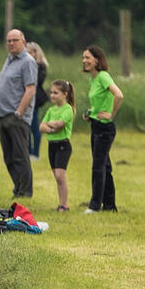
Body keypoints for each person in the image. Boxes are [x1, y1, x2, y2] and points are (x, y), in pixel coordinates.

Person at [0, 29, 37, 198]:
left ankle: (25, 192)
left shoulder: (27, 61)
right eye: (9, 40)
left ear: (23, 42)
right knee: (9, 157)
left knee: (19, 156)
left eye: (15, 40)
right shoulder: (10, 60)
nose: (11, 43)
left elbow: (30, 89)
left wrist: (19, 112)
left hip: (15, 116)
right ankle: (18, 189)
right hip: (2, 114)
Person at [81, 46, 123, 213]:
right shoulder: (93, 79)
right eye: (83, 58)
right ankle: (110, 206)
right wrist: (89, 113)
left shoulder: (103, 76)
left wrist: (111, 114)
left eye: (88, 58)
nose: (84, 61)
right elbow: (98, 103)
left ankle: (94, 206)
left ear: (97, 60)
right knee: (105, 166)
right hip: (95, 125)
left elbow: (119, 95)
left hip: (105, 129)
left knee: (98, 166)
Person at [39, 80, 75, 211]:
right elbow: (41, 126)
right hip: (51, 145)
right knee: (57, 177)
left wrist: (51, 124)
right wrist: (51, 128)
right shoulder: (50, 109)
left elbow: (60, 124)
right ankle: (61, 203)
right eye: (51, 92)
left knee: (60, 176)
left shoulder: (68, 109)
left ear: (65, 94)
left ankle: (65, 205)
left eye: (56, 93)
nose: (52, 95)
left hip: (63, 146)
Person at [26, 42, 49, 160]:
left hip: (35, 99)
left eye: (29, 51)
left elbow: (37, 81)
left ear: (35, 53)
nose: (27, 54)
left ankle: (35, 153)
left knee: (35, 126)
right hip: (27, 99)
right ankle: (28, 151)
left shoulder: (40, 66)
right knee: (27, 126)